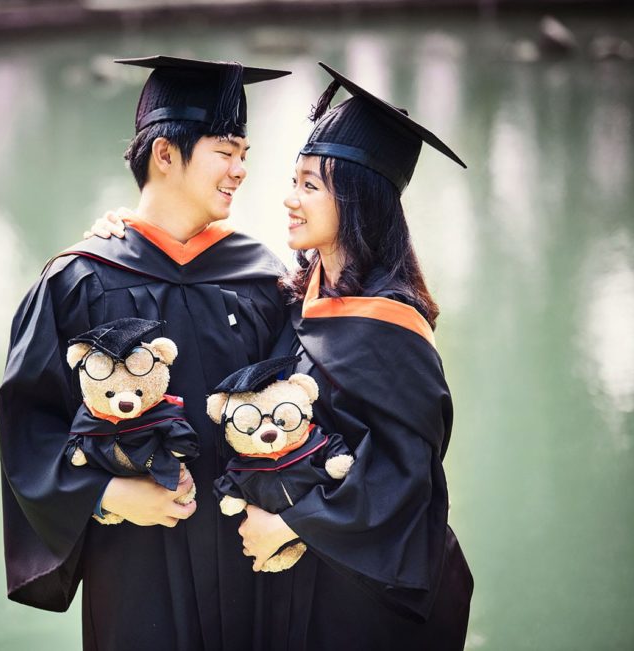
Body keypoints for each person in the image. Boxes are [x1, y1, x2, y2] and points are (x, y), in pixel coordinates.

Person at [89, 62, 474, 650]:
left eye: (311, 186)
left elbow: (406, 478)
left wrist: (293, 524)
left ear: (358, 200)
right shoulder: (294, 298)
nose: (289, 200)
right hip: (285, 592)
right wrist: (130, 231)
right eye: (294, 180)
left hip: (354, 601)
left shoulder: (392, 327)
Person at [0, 56, 291, 651]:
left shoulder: (264, 282)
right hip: (136, 574)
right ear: (165, 154)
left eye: (245, 155)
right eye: (226, 151)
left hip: (251, 568)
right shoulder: (79, 280)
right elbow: (28, 432)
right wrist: (106, 498)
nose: (240, 171)